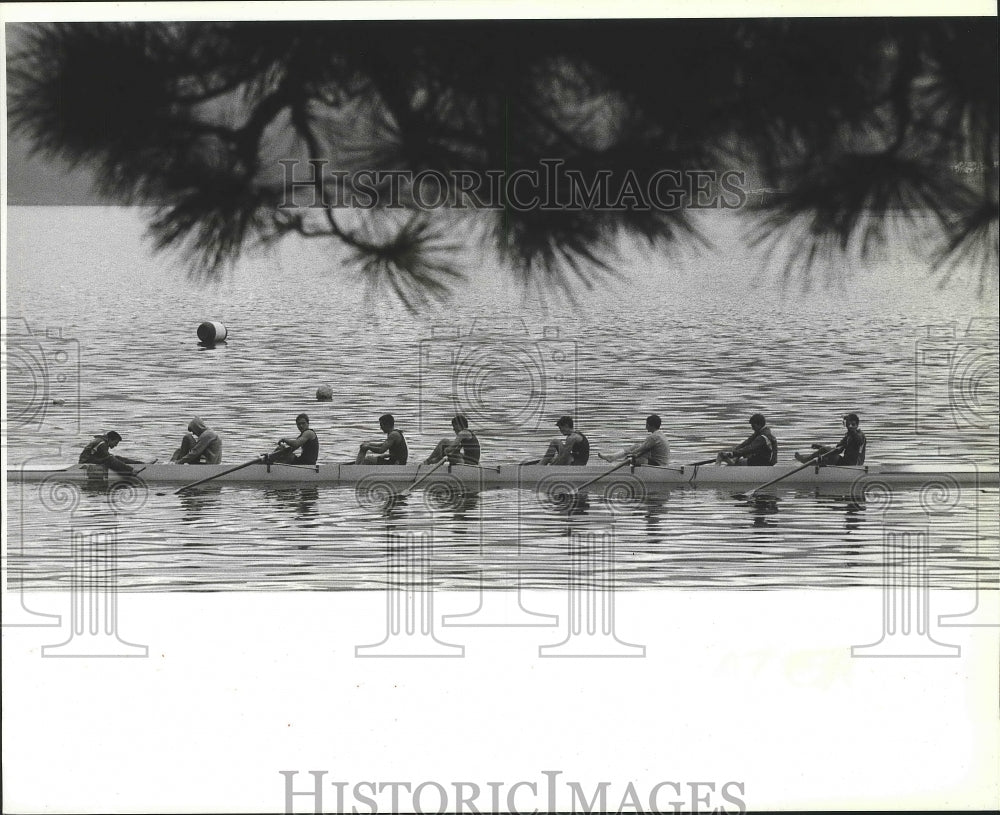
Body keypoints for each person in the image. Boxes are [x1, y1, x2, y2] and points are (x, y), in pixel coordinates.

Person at [795, 413, 867, 466]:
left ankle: (806, 461)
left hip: (855, 465)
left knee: (825, 452)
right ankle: (811, 466)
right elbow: (838, 450)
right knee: (825, 454)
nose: (850, 426)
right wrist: (820, 447)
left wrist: (852, 431)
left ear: (857, 425)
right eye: (849, 424)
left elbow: (859, 441)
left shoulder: (861, 435)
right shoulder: (848, 436)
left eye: (853, 424)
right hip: (846, 463)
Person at [598, 414, 669, 466]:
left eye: (646, 424)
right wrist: (632, 453)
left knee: (631, 459)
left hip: (658, 465)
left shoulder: (654, 437)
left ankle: (618, 470)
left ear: (651, 425)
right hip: (660, 462)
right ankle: (613, 457)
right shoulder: (660, 434)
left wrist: (630, 454)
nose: (645, 426)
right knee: (636, 447)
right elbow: (642, 449)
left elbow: (640, 450)